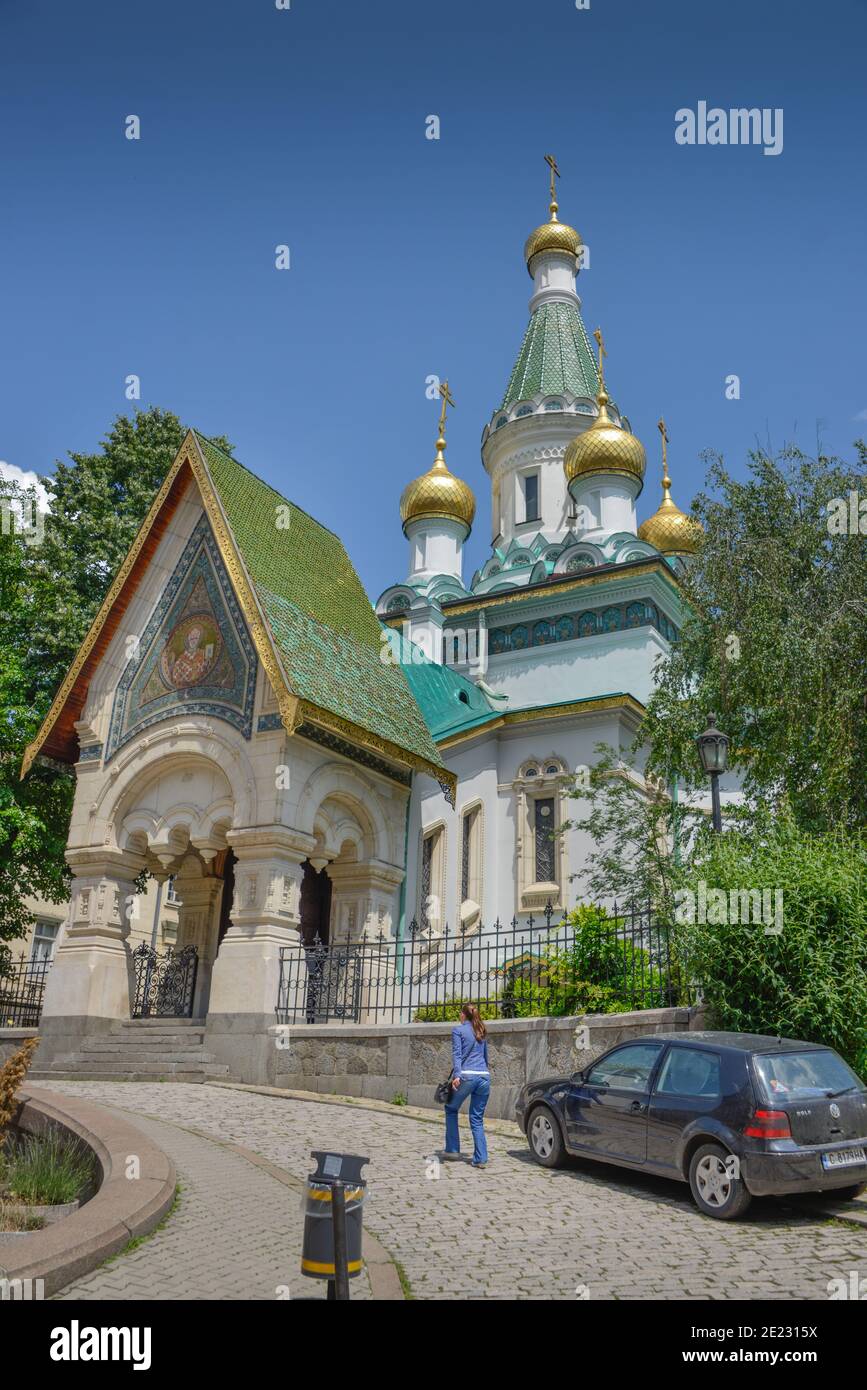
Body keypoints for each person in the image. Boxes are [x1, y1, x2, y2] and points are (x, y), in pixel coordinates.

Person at [443, 1003, 491, 1169]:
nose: (459, 1016)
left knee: (450, 1108)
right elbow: (486, 1057)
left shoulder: (458, 1030)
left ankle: (452, 1150)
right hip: (484, 1077)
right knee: (477, 1119)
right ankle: (481, 1158)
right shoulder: (481, 1030)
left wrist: (457, 1076)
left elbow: (457, 1054)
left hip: (467, 1076)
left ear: (463, 1015)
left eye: (460, 1014)